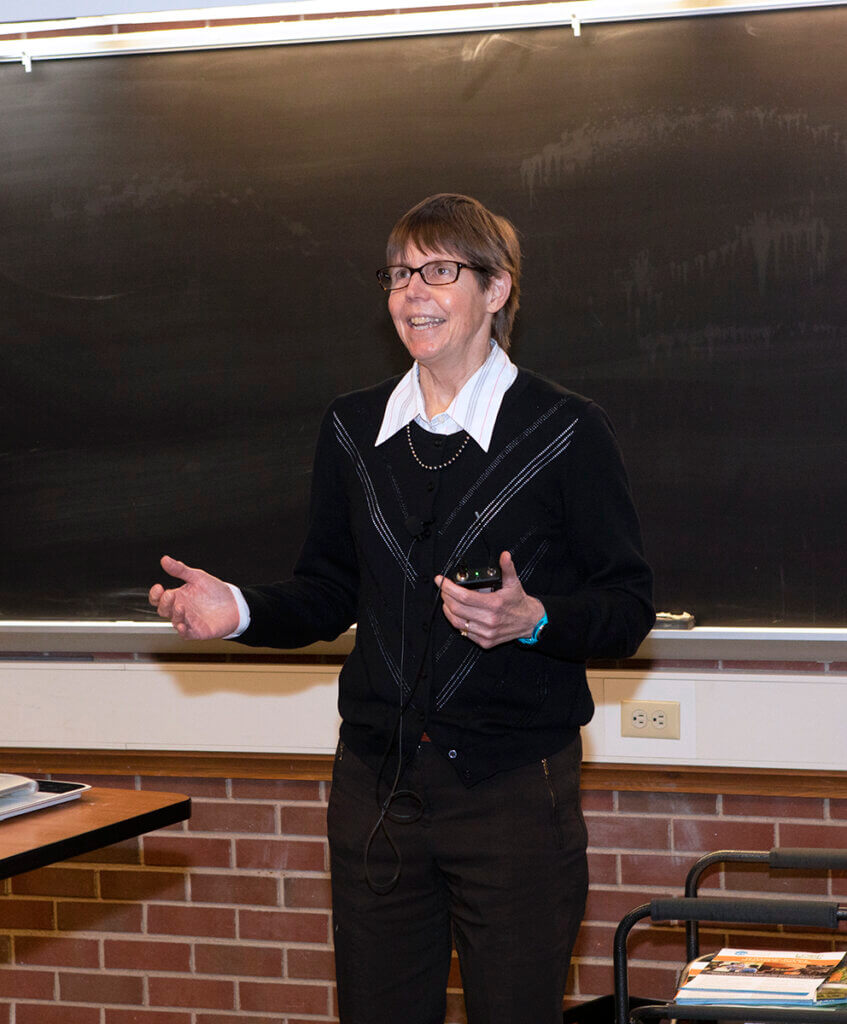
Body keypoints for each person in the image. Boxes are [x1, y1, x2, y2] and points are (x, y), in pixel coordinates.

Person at [149, 193, 655, 1024]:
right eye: (398, 274)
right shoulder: (351, 429)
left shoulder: (565, 431)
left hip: (511, 798)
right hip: (374, 795)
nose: (412, 292)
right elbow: (327, 590)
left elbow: (626, 606)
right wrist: (236, 610)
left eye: (439, 271)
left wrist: (534, 620)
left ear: (496, 291)